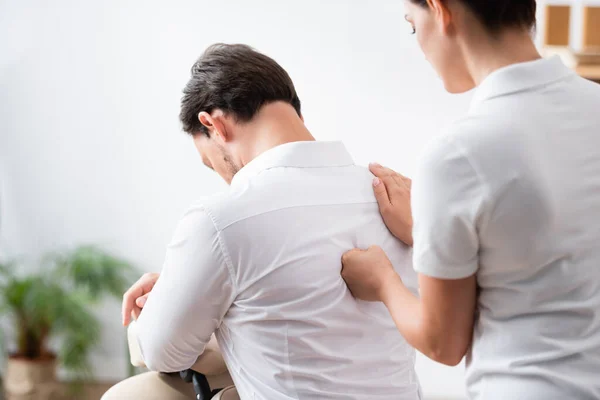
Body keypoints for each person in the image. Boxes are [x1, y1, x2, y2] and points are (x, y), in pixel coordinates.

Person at [103, 44, 422, 400]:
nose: (224, 178)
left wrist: (171, 292)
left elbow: (161, 351)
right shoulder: (397, 199)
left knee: (136, 394)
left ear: (213, 124)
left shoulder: (221, 218)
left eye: (213, 165)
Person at [341, 1, 600, 399]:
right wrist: (428, 231)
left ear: (440, 10)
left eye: (413, 26)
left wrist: (382, 280)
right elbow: (554, 250)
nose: (420, 47)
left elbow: (442, 342)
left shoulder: (457, 154)